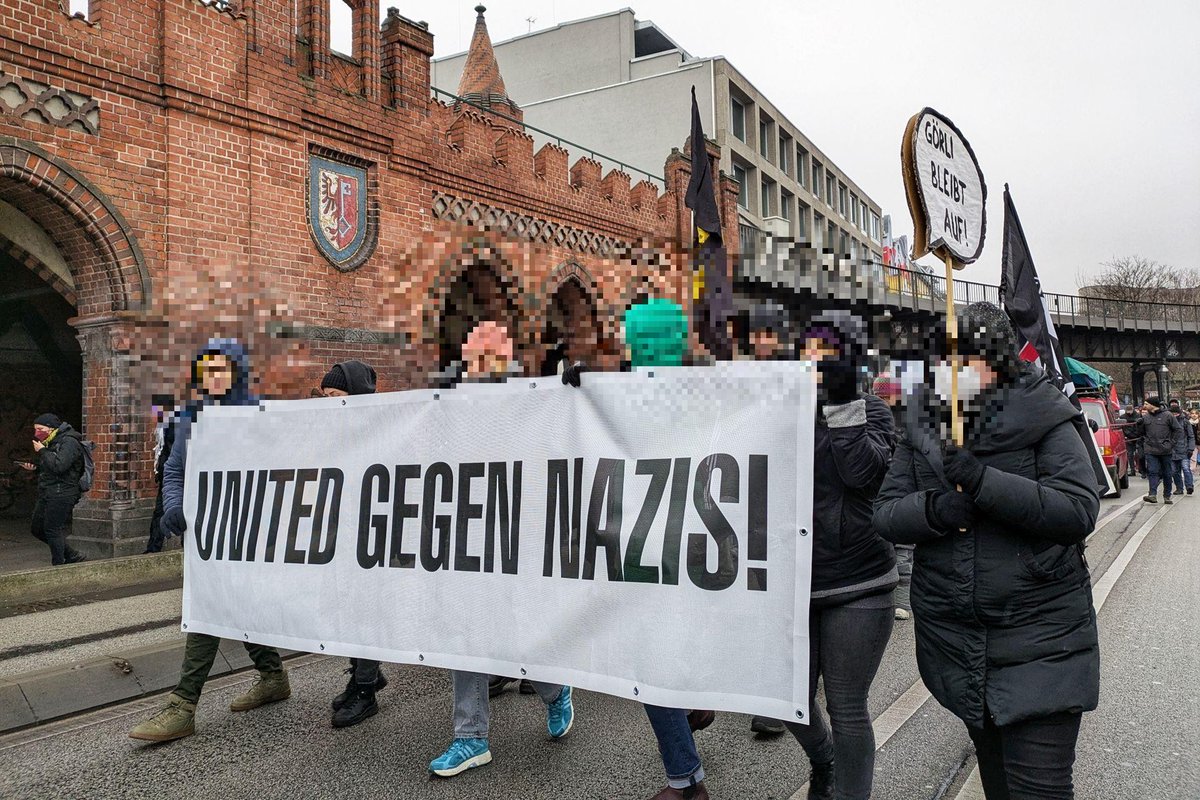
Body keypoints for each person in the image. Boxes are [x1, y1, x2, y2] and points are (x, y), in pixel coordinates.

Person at [873, 302, 1101, 800]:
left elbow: (1077, 511)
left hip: (1041, 637)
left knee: (1038, 790)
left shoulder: (1048, 414)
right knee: (997, 783)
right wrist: (936, 510)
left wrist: (982, 482)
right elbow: (886, 514)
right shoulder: (926, 422)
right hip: (956, 641)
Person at [427, 321, 576, 778]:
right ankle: (470, 738)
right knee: (465, 637)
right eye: (475, 359)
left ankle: (556, 690)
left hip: (517, 541)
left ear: (509, 362)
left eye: (491, 359)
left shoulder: (533, 405)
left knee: (520, 636)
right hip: (468, 542)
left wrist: (574, 393)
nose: (481, 368)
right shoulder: (447, 407)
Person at [129, 339, 291, 743]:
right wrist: (172, 507)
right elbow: (174, 472)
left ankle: (183, 705)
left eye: (221, 370)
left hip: (248, 536)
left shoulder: (261, 418)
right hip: (207, 535)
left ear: (237, 372)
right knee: (226, 605)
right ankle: (273, 676)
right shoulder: (192, 419)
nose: (213, 379)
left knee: (211, 607)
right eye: (206, 372)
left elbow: (281, 473)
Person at [781, 311, 897, 800]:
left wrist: (844, 401)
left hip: (858, 581)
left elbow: (863, 475)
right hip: (791, 583)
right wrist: (600, 385)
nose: (815, 358)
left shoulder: (874, 412)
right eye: (809, 348)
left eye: (827, 350)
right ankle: (823, 760)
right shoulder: (781, 410)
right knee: (787, 705)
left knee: (847, 705)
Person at [316, 360, 392, 729]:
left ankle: (365, 691)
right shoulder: (333, 431)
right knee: (346, 608)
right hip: (343, 535)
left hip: (374, 538)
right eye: (326, 396)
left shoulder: (383, 428)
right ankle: (362, 674)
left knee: (366, 611)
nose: (330, 403)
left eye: (335, 395)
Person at [19, 413, 88, 566]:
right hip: (48, 491)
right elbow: (51, 466)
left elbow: (60, 466)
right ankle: (71, 554)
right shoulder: (51, 440)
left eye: (40, 429)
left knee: (52, 529)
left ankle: (58, 565)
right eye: (35, 429)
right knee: (37, 528)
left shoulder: (69, 442)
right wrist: (36, 467)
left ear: (51, 428)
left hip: (62, 492)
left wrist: (43, 451)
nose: (37, 433)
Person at [871, 373, 912, 623]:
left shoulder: (906, 420)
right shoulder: (874, 417)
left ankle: (902, 601)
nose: (882, 400)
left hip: (900, 489)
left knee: (904, 548)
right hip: (880, 490)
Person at [143, 394, 176, 554]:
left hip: (175, 476)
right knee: (159, 512)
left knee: (167, 510)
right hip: (166, 475)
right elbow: (161, 450)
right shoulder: (163, 426)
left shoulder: (175, 426)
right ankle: (153, 548)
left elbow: (172, 452)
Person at [1140, 395, 1180, 504]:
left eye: (1146, 404)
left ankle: (1167, 495)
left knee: (1167, 473)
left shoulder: (1168, 415)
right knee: (1152, 471)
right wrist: (1138, 426)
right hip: (1151, 449)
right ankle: (1152, 494)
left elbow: (1177, 430)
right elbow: (1141, 433)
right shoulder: (1145, 417)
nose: (1144, 406)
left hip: (1165, 450)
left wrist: (1171, 443)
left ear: (1153, 405)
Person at [1168, 399, 1194, 496]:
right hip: (1171, 450)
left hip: (1184, 449)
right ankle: (1179, 488)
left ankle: (1189, 486)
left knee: (1186, 468)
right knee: (1174, 471)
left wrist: (1190, 448)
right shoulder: (1168, 422)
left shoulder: (1185, 422)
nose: (1174, 415)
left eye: (1176, 413)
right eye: (1173, 414)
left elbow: (1191, 436)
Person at [1119, 405, 1143, 478]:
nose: (1129, 412)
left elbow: (1139, 427)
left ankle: (1140, 469)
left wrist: (1136, 434)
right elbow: (1123, 428)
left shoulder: (1138, 416)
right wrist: (1127, 435)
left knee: (1140, 454)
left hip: (1137, 437)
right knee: (1130, 455)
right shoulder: (1122, 417)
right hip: (1128, 437)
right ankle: (1133, 470)